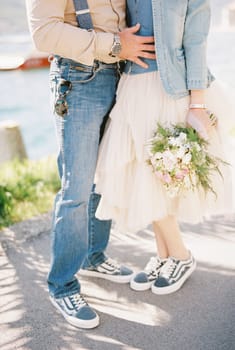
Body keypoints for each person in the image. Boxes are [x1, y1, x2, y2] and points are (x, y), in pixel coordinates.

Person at [26, 0, 156, 329]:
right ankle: (62, 285)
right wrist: (114, 44)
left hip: (121, 75)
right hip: (79, 79)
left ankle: (93, 256)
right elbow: (43, 32)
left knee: (104, 177)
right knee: (77, 189)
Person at [95, 0, 234, 295]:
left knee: (158, 171)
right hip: (131, 84)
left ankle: (181, 255)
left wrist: (197, 104)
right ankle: (165, 255)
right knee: (144, 171)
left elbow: (196, 40)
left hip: (168, 88)